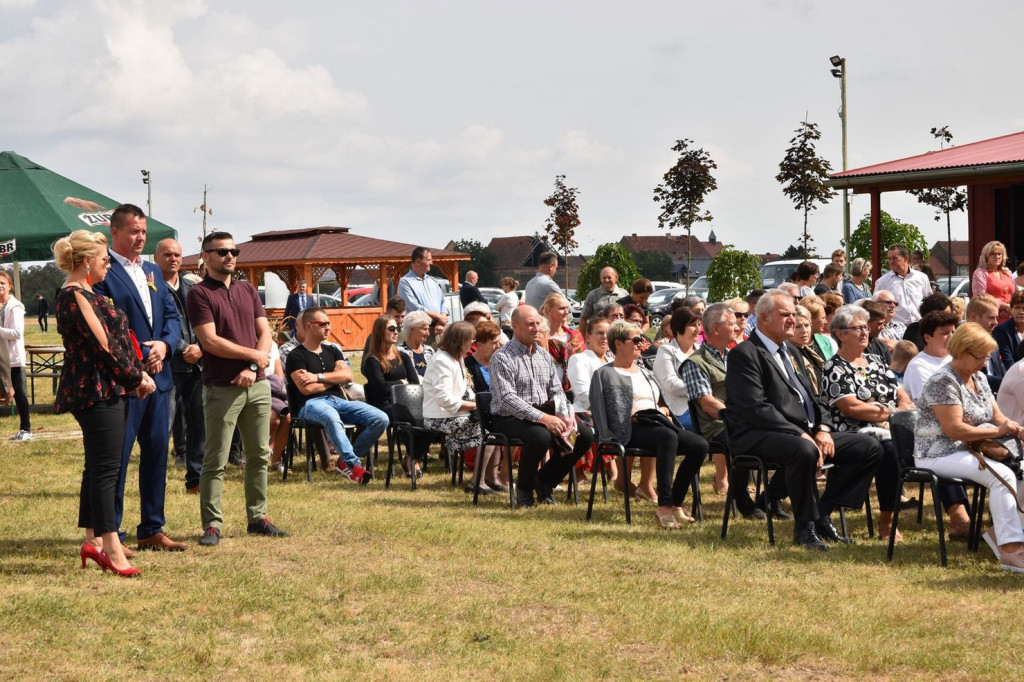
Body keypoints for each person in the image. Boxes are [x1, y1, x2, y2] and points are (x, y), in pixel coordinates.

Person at [724, 289, 883, 550]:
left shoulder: (794, 351)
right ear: (763, 319)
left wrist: (822, 428)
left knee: (868, 447)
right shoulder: (745, 354)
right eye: (784, 314)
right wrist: (801, 434)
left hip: (804, 432)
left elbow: (816, 397)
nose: (792, 318)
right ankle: (804, 529)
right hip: (757, 434)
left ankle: (822, 513)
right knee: (804, 450)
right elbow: (755, 408)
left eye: (793, 313)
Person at [54, 230, 156, 577]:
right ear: (86, 262)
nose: (108, 264)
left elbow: (116, 340)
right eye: (103, 259)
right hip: (96, 389)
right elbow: (105, 347)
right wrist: (137, 377)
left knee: (96, 467)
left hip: (107, 386)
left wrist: (135, 374)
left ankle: (93, 541)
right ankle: (111, 547)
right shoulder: (74, 295)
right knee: (106, 470)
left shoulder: (86, 292)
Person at [187, 231, 289, 547]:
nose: (230, 256)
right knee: (215, 458)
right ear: (205, 256)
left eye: (234, 251)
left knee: (258, 454)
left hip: (256, 384)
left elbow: (265, 332)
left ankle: (257, 518)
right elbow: (210, 341)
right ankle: (212, 525)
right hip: (221, 387)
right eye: (221, 251)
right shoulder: (199, 294)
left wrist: (254, 366)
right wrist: (253, 356)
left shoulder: (247, 289)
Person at [92, 204, 185, 551]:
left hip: (160, 382)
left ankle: (152, 527)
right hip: (125, 383)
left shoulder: (153, 271)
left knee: (158, 454)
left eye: (143, 231)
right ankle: (111, 534)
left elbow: (172, 316)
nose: (140, 237)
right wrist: (141, 358)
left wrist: (165, 344)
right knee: (117, 459)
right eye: (133, 231)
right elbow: (106, 328)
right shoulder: (103, 273)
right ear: (115, 232)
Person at [914, 322, 1024, 571]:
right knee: (1003, 475)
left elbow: (998, 417)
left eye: (987, 357)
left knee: (1021, 469)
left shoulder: (979, 378)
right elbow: (954, 430)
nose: (985, 363)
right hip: (937, 453)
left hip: (967, 449)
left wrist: (1017, 429)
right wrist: (999, 431)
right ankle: (1010, 551)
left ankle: (1001, 534)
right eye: (980, 357)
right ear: (962, 350)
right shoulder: (943, 381)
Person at [590, 320, 708, 528]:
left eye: (642, 340)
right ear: (618, 343)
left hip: (655, 423)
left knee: (699, 445)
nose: (641, 344)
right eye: (636, 340)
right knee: (667, 437)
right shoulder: (605, 374)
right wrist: (632, 415)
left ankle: (675, 503)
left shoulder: (645, 371)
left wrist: (662, 410)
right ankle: (663, 507)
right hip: (628, 428)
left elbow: (659, 400)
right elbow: (603, 411)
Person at [821, 304, 916, 541]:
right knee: (890, 449)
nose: (864, 332)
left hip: (887, 426)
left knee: (894, 446)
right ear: (841, 334)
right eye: (857, 328)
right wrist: (892, 413)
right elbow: (851, 407)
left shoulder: (875, 360)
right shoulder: (834, 366)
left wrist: (902, 403)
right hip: (853, 431)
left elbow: (898, 389)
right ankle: (888, 521)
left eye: (865, 327)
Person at [489, 305, 595, 507]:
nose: (536, 328)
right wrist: (543, 418)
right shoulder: (502, 357)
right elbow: (507, 399)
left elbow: (556, 390)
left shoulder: (544, 356)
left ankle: (545, 481)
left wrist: (564, 416)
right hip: (508, 417)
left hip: (545, 413)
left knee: (585, 435)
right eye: (530, 324)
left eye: (538, 323)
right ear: (515, 326)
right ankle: (524, 490)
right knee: (540, 436)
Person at [286, 307, 387, 485]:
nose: (328, 327)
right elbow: (306, 390)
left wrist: (317, 377)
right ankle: (354, 466)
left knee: (380, 418)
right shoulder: (295, 356)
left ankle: (344, 461)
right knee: (331, 417)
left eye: (329, 323)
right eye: (323, 324)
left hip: (337, 401)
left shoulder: (333, 350)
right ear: (309, 326)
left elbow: (348, 376)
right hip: (309, 405)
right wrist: (335, 379)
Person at [680, 303, 760, 510]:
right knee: (745, 440)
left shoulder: (735, 356)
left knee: (784, 438)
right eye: (732, 324)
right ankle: (741, 499)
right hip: (717, 427)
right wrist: (739, 417)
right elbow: (707, 404)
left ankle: (773, 496)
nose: (738, 328)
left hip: (741, 421)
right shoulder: (695, 363)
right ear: (716, 329)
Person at [155, 238, 205, 494]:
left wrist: (200, 348)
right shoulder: (150, 288)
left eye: (176, 254)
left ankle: (196, 479)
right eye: (167, 254)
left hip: (197, 367)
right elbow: (156, 326)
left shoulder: (193, 288)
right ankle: (156, 480)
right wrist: (182, 348)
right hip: (168, 366)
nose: (172, 258)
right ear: (156, 258)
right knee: (163, 425)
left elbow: (206, 322)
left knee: (199, 424)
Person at [422, 322, 484, 490]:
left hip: (455, 414)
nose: (472, 344)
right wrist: (475, 406)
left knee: (494, 424)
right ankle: (478, 481)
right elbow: (444, 399)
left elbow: (465, 390)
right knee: (486, 430)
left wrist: (481, 402)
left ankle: (490, 478)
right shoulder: (442, 360)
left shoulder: (456, 358)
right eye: (470, 340)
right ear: (460, 341)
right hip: (438, 417)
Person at [364, 314, 429, 474]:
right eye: (391, 328)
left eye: (397, 329)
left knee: (431, 418)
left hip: (407, 402)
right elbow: (380, 388)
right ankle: (413, 460)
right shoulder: (372, 360)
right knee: (411, 417)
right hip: (384, 405)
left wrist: (398, 385)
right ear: (380, 332)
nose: (396, 332)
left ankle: (410, 457)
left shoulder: (403, 356)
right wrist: (401, 383)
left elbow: (414, 383)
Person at [566, 316, 615, 485]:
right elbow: (583, 395)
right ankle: (607, 471)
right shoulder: (579, 359)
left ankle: (619, 474)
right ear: (587, 336)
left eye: (608, 333)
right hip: (585, 412)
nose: (604, 337)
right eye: (599, 333)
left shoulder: (613, 361)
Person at [464, 320, 508, 490]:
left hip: (495, 411)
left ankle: (492, 478)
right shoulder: (469, 366)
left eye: (500, 342)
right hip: (473, 412)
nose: (499, 346)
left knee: (498, 426)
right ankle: (478, 481)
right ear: (480, 345)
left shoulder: (499, 363)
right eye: (494, 343)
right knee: (491, 430)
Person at [0, 270, 31, 440]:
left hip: (13, 358)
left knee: (19, 392)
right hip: (1, 358)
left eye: (2, 283)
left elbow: (17, 332)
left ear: (9, 286)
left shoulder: (15, 306)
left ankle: (26, 429)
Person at [903, 311, 958, 401]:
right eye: (945, 333)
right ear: (927, 337)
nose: (951, 336)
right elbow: (930, 402)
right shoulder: (918, 366)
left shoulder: (955, 358)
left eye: (953, 332)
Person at [874, 244, 932, 326]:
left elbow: (929, 302)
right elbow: (876, 308)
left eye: (894, 258)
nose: (891, 261)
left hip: (920, 326)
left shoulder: (922, 278)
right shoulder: (882, 282)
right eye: (889, 258)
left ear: (905, 258)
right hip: (897, 330)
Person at [541, 293, 585, 394]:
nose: (566, 312)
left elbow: (583, 364)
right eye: (561, 308)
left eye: (567, 308)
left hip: (575, 390)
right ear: (549, 310)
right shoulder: (540, 337)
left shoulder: (575, 336)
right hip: (547, 389)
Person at [397, 247, 450, 327]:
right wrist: (439, 317)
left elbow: (443, 301)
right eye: (429, 260)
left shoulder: (432, 280)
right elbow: (415, 308)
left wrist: (440, 322)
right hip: (419, 331)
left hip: (439, 328)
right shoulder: (405, 282)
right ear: (418, 261)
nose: (432, 263)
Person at [579, 266, 628, 335]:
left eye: (609, 277)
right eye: (604, 278)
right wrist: (582, 338)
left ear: (616, 278)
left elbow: (629, 317)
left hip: (619, 335)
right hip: (598, 335)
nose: (606, 280)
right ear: (600, 279)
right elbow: (583, 318)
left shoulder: (624, 294)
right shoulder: (592, 295)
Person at [792, 305, 826, 394]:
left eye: (807, 325)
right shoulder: (787, 355)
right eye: (797, 326)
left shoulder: (811, 353)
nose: (804, 330)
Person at [993, 290, 1024, 374]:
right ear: (1011, 309)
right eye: (1017, 307)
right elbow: (1008, 362)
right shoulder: (1002, 331)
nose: (1021, 312)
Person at [397, 310, 434, 376]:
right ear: (411, 329)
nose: (428, 333)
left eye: (428, 329)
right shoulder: (399, 351)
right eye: (425, 329)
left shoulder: (429, 350)